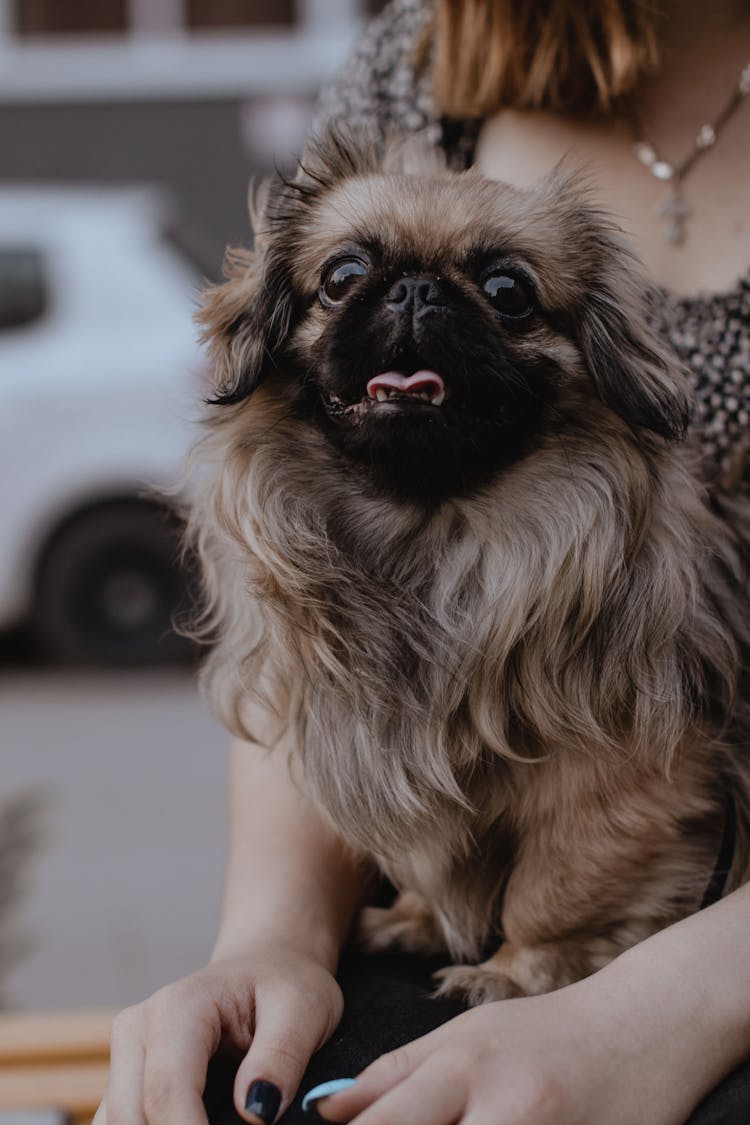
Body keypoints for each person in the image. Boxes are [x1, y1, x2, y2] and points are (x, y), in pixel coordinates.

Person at [96, 2, 750, 1123]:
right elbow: (309, 666)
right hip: (450, 928)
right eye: (353, 278)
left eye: (500, 296)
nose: (409, 308)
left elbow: (636, 773)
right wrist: (272, 940)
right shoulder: (419, 59)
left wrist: (623, 998)